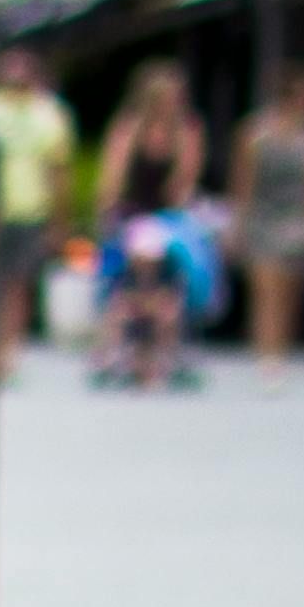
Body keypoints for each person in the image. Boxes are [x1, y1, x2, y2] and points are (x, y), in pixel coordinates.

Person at [94, 59, 210, 390]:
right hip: (132, 214)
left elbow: (182, 185)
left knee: (177, 270)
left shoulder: (187, 131)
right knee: (123, 269)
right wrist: (109, 211)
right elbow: (113, 180)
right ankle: (115, 347)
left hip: (167, 219)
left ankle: (169, 346)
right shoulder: (129, 129)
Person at [230, 67, 304, 385]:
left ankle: (280, 350)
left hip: (298, 220)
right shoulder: (254, 132)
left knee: (290, 291)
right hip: (263, 216)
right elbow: (242, 182)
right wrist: (238, 224)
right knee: (266, 289)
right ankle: (267, 358)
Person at [0, 46, 75, 365]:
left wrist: (59, 222)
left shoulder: (48, 114)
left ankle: (8, 351)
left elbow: (58, 170)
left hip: (29, 210)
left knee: (17, 283)